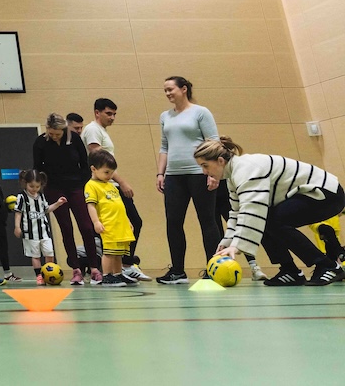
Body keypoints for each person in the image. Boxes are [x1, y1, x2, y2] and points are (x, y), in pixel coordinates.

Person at [196, 137, 345, 286]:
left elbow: (252, 210)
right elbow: (237, 212)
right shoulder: (233, 175)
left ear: (220, 161)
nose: (204, 172)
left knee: (270, 220)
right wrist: (227, 242)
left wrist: (237, 246)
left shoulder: (246, 170)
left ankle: (328, 266)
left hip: (326, 194)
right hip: (314, 194)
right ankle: (290, 271)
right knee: (265, 220)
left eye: (205, 165)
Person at [156, 76, 221, 285]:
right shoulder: (165, 116)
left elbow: (214, 143)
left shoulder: (201, 112)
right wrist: (160, 173)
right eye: (165, 90)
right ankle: (177, 271)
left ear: (184, 89)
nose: (167, 93)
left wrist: (213, 174)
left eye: (170, 89)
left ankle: (215, 268)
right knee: (173, 222)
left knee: (208, 220)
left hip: (198, 173)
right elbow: (164, 146)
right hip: (174, 176)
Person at [81, 98, 149, 281]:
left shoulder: (102, 131)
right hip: (106, 187)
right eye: (108, 113)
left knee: (128, 222)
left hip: (110, 186)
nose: (113, 117)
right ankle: (118, 268)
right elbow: (99, 158)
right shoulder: (93, 129)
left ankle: (121, 269)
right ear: (97, 112)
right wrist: (122, 182)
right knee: (126, 224)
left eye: (114, 114)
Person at [33, 113, 101, 285]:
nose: (55, 136)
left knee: (86, 226)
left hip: (76, 187)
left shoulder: (75, 139)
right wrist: (43, 189)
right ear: (47, 129)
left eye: (58, 133)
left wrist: (84, 185)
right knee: (66, 228)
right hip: (54, 189)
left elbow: (84, 165)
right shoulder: (40, 142)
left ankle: (94, 268)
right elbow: (37, 168)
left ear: (64, 129)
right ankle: (76, 269)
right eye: (52, 133)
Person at [85, 150, 135, 288]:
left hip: (119, 224)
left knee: (118, 252)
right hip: (108, 225)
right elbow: (91, 206)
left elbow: (119, 205)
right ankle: (107, 276)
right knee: (109, 252)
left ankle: (118, 274)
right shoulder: (91, 185)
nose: (109, 175)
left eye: (112, 172)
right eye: (106, 172)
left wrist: (127, 221)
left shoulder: (110, 185)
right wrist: (96, 221)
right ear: (94, 169)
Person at [14, 169, 65, 284]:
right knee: (35, 256)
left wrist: (58, 203)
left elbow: (47, 210)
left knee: (49, 253)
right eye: (31, 186)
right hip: (30, 233)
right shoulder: (22, 197)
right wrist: (17, 226)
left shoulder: (41, 196)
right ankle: (39, 276)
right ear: (25, 183)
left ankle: (49, 274)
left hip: (44, 231)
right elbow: (18, 212)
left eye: (37, 186)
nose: (34, 189)